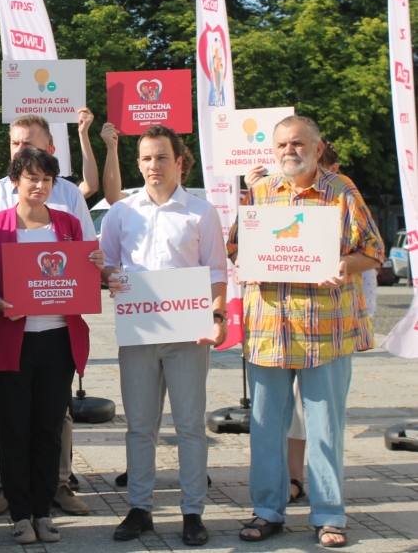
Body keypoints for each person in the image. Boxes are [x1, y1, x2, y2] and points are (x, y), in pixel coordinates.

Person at [228, 116, 384, 548]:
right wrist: (244, 262)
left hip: (325, 329)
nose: (289, 151)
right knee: (265, 427)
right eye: (281, 145)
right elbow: (236, 246)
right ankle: (267, 511)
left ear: (317, 148)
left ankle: (329, 515)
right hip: (269, 328)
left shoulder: (342, 191)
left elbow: (373, 251)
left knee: (325, 428)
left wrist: (343, 264)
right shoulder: (260, 192)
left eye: (297, 143)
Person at [100, 125, 227, 546]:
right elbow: (106, 264)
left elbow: (216, 270)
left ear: (179, 162)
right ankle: (140, 508)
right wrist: (109, 276)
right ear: (138, 164)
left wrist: (218, 315)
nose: (153, 165)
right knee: (139, 426)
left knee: (190, 425)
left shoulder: (201, 212)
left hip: (188, 333)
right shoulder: (121, 212)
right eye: (146, 158)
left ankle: (193, 512)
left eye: (161, 157)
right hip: (138, 329)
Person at [0, 148, 101, 544]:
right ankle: (20, 514)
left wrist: (95, 265)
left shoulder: (67, 224)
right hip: (10, 343)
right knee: (13, 431)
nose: (40, 186)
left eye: (47, 179)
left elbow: (85, 274)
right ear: (15, 181)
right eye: (32, 178)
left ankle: (43, 512)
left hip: (57, 342)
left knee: (49, 431)